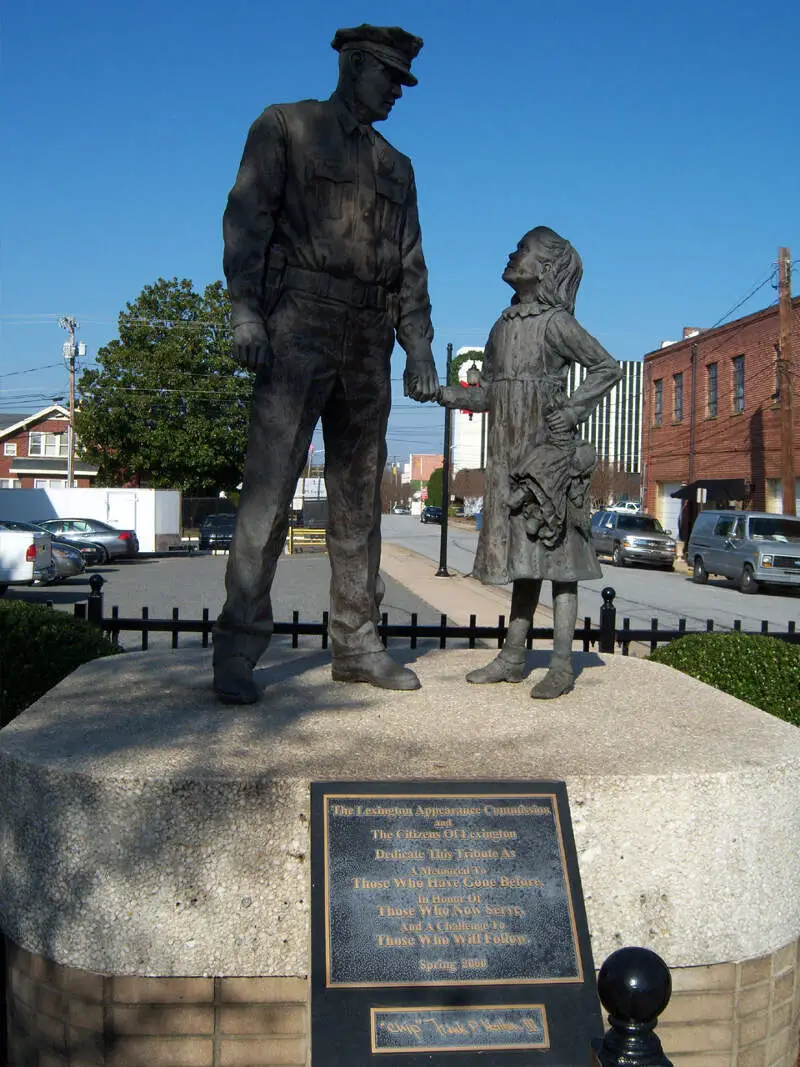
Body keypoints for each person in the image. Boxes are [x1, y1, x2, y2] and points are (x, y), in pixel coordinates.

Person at [214, 25, 439, 704]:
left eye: (403, 82)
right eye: (389, 78)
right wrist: (245, 311)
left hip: (368, 337)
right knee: (270, 494)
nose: (398, 93)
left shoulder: (398, 167)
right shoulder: (286, 127)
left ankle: (357, 642)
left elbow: (410, 263)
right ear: (354, 64)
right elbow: (247, 219)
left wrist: (419, 345)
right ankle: (238, 647)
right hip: (297, 323)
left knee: (359, 500)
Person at [437, 227, 622, 698]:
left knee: (561, 562)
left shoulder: (556, 323)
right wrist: (442, 393)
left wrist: (574, 409)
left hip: (547, 459)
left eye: (520, 249)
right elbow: (491, 395)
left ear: (543, 269)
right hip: (508, 458)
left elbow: (607, 366)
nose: (511, 254)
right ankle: (514, 656)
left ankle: (561, 663)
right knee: (525, 559)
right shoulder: (502, 325)